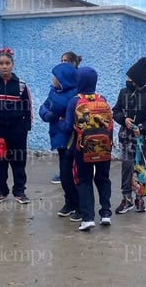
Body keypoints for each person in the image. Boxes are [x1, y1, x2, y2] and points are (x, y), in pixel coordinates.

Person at [60, 66, 113, 231]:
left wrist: (61, 121)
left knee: (84, 180)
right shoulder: (102, 99)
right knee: (103, 179)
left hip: (82, 148)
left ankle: (88, 217)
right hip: (104, 147)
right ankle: (105, 213)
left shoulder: (74, 101)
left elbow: (68, 127)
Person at [0, 48, 33, 204]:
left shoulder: (21, 84)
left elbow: (28, 106)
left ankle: (19, 191)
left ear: (12, 65)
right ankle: (1, 191)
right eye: (1, 63)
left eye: (7, 63)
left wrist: (26, 127)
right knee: (0, 162)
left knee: (18, 161)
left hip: (17, 129)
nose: (4, 66)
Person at [112, 57, 146, 214]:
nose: (127, 80)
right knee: (127, 167)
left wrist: (141, 128)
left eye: (130, 78)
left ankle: (140, 198)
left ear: (138, 80)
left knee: (141, 170)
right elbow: (116, 111)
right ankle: (126, 198)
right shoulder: (124, 93)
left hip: (143, 142)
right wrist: (123, 119)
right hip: (127, 139)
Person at [39, 63, 81, 221]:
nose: (53, 79)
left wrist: (52, 113)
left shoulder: (73, 96)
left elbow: (58, 110)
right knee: (65, 175)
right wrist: (47, 114)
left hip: (70, 140)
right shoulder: (53, 91)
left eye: (56, 77)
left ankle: (78, 205)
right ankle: (69, 202)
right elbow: (43, 108)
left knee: (69, 174)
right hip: (58, 138)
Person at [50, 51, 83, 185]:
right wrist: (48, 113)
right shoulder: (56, 87)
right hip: (59, 129)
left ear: (74, 63)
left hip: (71, 129)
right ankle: (65, 174)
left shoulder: (79, 83)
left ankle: (72, 178)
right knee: (63, 156)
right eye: (62, 60)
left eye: (66, 61)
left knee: (71, 157)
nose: (63, 63)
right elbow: (47, 106)